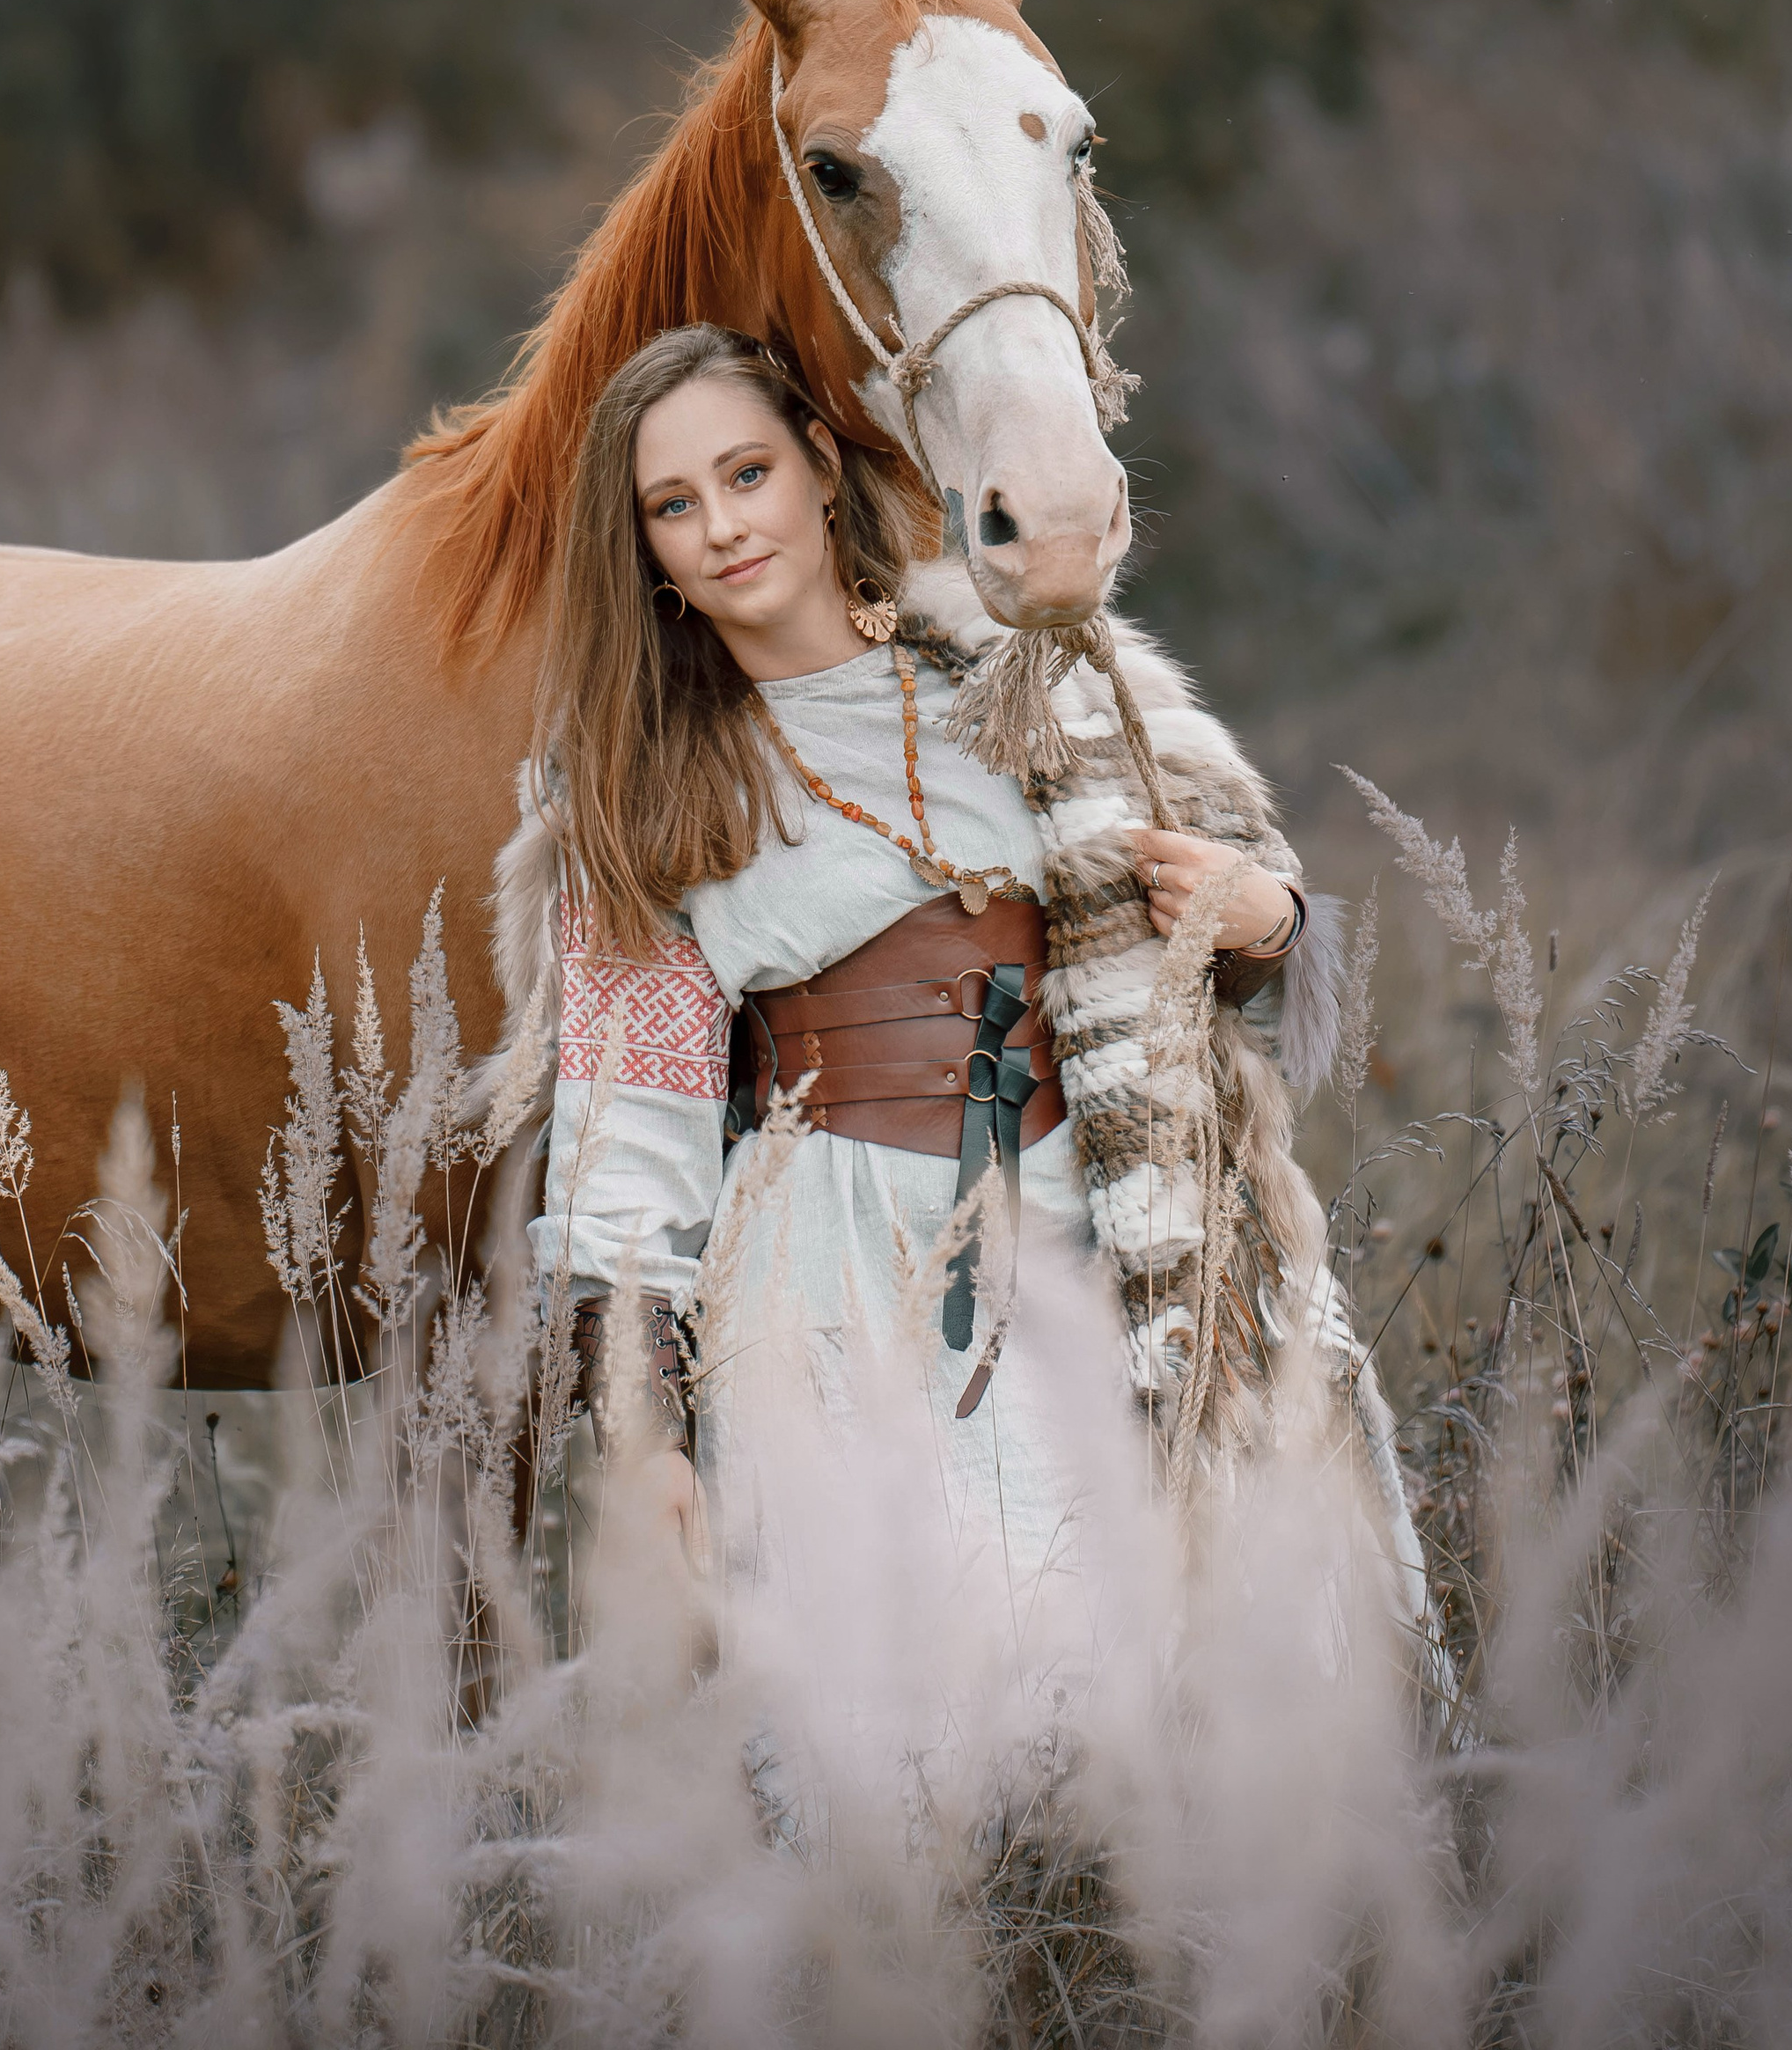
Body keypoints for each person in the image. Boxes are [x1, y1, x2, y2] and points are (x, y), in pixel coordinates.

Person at [515, 325, 1348, 1613]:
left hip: (1104, 1233)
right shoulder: (650, 793)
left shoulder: (1028, 685)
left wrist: (1263, 920)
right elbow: (631, 1130)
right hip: (834, 1276)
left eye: (748, 475)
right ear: (645, 553)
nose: (724, 526)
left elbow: (1225, 985)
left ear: (819, 467)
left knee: (1159, 1674)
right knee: (915, 1713)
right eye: (673, 506)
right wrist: (646, 1430)